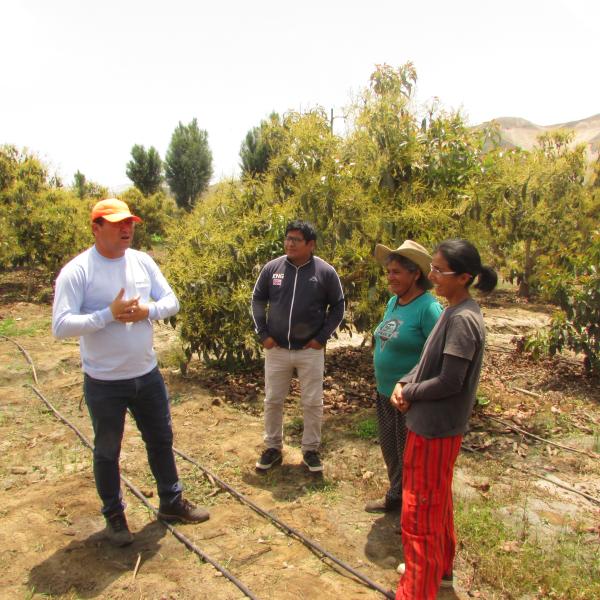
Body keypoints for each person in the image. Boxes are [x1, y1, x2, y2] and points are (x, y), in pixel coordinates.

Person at [52, 198, 209, 547]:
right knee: (108, 450)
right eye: (117, 223)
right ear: (96, 228)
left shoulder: (142, 262)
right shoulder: (78, 271)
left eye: (130, 223)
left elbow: (172, 301)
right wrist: (107, 314)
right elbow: (60, 326)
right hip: (105, 381)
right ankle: (115, 517)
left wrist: (147, 311)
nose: (127, 229)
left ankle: (171, 501)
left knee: (161, 439)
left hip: (147, 374)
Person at [390, 239, 497, 599]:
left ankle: (416, 591)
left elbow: (451, 380)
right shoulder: (450, 309)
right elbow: (427, 362)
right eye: (432, 267)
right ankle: (440, 569)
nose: (432, 275)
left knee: (420, 511)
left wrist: (412, 393)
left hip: (436, 429)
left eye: (439, 270)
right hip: (427, 424)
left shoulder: (464, 320)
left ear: (464, 276)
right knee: (438, 504)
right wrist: (405, 382)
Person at [251, 220, 345, 473]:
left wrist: (322, 337)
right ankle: (272, 447)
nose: (289, 243)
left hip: (310, 351)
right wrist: (263, 334)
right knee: (273, 400)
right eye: (287, 238)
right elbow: (257, 299)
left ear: (310, 244)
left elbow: (338, 306)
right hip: (277, 349)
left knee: (312, 402)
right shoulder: (273, 269)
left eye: (296, 240)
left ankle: (311, 450)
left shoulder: (324, 272)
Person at [365, 241, 442, 514]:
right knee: (392, 451)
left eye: (397, 272)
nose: (390, 277)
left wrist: (411, 387)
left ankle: (414, 511)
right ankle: (396, 497)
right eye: (389, 271)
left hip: (409, 397)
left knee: (411, 457)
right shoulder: (393, 302)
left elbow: (437, 355)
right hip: (385, 392)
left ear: (415, 274)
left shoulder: (428, 309)